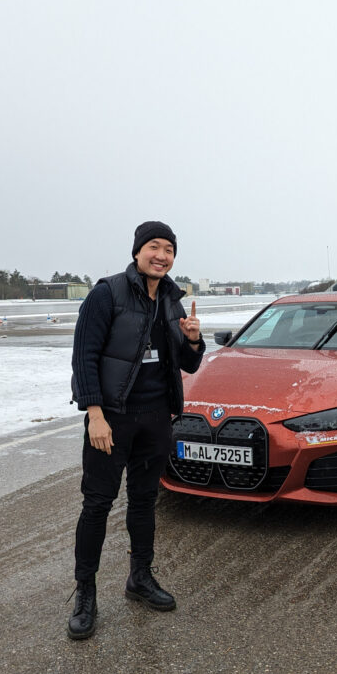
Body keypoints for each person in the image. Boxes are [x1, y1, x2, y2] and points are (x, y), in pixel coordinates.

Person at [67, 220, 204, 640]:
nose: (162, 256)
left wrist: (195, 341)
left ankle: (139, 578)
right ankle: (85, 593)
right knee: (97, 505)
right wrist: (95, 414)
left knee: (144, 502)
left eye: (169, 249)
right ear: (137, 251)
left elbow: (187, 365)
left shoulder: (171, 299)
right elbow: (84, 358)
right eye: (154, 247)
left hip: (156, 417)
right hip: (112, 418)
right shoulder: (106, 293)